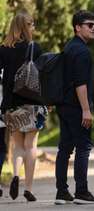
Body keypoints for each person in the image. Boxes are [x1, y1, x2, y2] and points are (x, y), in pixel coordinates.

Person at [54, 10, 94, 205]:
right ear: (77, 27)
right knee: (83, 147)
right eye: (89, 25)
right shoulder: (82, 51)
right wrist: (86, 109)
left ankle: (62, 192)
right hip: (76, 107)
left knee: (64, 148)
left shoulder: (69, 47)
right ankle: (81, 191)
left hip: (63, 105)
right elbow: (79, 83)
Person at [0, 11, 45, 202]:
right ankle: (28, 188)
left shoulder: (3, 49)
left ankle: (16, 174)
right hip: (33, 103)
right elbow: (42, 77)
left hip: (11, 104)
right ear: (26, 26)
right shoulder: (35, 48)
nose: (34, 27)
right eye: (32, 24)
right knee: (31, 145)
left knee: (17, 145)